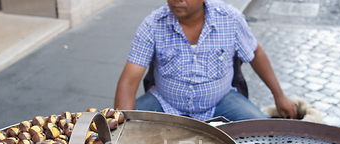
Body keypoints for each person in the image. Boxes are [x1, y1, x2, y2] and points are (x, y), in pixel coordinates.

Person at [114, 0, 298, 121]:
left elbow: (255, 53)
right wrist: (122, 124)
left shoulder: (230, 19)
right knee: (122, 128)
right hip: (164, 103)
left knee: (263, 130)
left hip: (221, 101)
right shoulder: (152, 24)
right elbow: (129, 81)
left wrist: (279, 96)